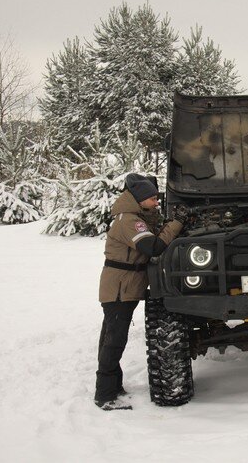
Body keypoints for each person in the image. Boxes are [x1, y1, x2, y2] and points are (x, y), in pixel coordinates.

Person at [95, 173, 187, 410]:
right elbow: (152, 246)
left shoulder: (135, 217)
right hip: (119, 288)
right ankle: (105, 395)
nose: (156, 202)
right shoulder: (129, 221)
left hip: (124, 286)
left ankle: (113, 387)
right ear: (139, 199)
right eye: (152, 198)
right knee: (114, 339)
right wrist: (176, 224)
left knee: (112, 337)